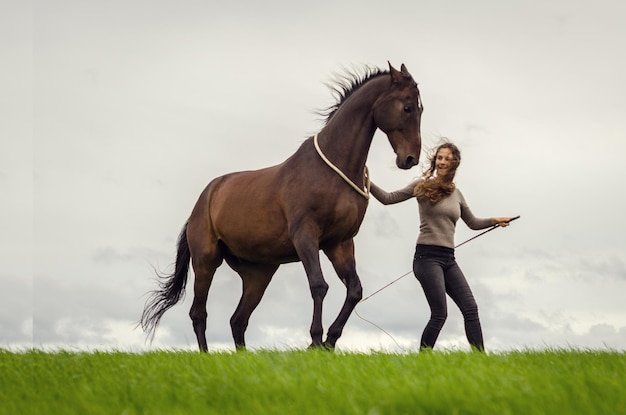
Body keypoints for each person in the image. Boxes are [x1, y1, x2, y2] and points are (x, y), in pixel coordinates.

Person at [370, 142, 514, 351]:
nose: (442, 162)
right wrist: (367, 181)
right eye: (439, 158)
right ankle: (424, 360)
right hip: (426, 258)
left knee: (471, 309)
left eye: (447, 158)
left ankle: (481, 360)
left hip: (448, 259)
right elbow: (388, 198)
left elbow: (473, 223)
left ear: (454, 163)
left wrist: (494, 220)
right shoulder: (421, 185)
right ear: (435, 160)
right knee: (440, 314)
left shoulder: (457, 193)